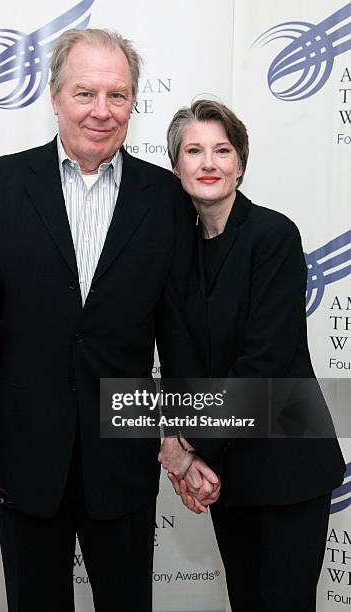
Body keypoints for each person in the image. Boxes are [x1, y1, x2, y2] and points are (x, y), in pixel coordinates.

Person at [0, 29, 217, 612]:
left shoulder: (165, 197)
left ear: (133, 103)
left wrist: (185, 440)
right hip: (23, 454)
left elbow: (177, 334)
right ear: (54, 95)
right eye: (85, 92)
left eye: (117, 95)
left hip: (122, 455)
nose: (101, 110)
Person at [159, 99, 345, 611]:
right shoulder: (174, 251)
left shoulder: (273, 236)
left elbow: (264, 362)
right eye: (194, 151)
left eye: (222, 150)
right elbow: (180, 364)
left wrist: (190, 446)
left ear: (240, 162)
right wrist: (184, 446)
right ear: (177, 167)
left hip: (288, 463)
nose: (208, 163)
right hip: (228, 468)